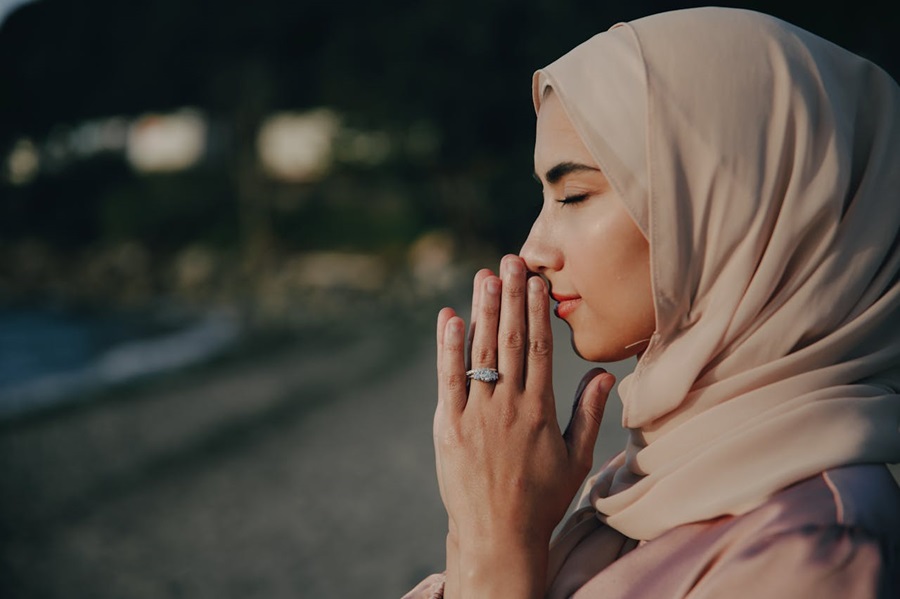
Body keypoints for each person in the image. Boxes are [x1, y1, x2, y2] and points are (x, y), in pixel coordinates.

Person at [405, 7, 900, 598]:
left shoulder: (816, 553)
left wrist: (494, 545)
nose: (532, 250)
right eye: (547, 196)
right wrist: (484, 518)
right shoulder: (646, 481)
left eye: (576, 194)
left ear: (728, 212)